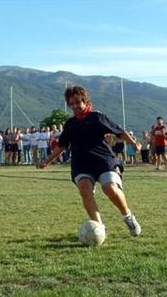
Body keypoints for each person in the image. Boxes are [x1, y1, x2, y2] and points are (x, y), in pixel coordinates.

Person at [38, 85, 141, 237]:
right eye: (71, 104)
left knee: (109, 188)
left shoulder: (97, 117)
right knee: (85, 190)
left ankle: (128, 217)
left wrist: (133, 143)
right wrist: (47, 161)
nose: (75, 106)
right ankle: (98, 228)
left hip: (104, 161)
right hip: (81, 163)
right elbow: (61, 146)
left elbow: (119, 131)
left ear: (85, 101)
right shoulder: (70, 124)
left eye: (77, 102)